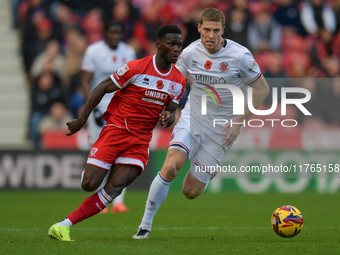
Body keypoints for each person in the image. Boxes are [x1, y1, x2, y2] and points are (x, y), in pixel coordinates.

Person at [133, 8, 269, 239]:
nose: (211, 35)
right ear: (199, 28)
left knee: (190, 191)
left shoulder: (240, 56)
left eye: (216, 31)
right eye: (206, 29)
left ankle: (206, 167)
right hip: (192, 118)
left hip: (222, 129)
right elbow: (174, 81)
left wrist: (238, 122)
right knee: (171, 166)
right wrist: (168, 109)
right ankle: (145, 226)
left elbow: (262, 89)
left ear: (223, 31)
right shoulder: (190, 53)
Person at [47, 24, 186, 241]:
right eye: (172, 44)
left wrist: (167, 119)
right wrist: (83, 118)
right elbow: (101, 87)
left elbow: (170, 111)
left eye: (179, 45)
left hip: (140, 141)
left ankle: (63, 226)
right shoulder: (136, 67)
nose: (177, 49)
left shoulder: (178, 80)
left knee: (114, 189)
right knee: (89, 184)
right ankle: (96, 164)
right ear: (159, 45)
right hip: (116, 130)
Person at [81, 20, 136, 213]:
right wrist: (93, 107)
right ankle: (100, 200)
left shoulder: (129, 52)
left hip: (121, 110)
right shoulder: (93, 51)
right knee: (101, 153)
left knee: (123, 153)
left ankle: (118, 202)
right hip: (99, 109)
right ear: (105, 33)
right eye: (111, 32)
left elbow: (131, 83)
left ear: (122, 34)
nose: (115, 36)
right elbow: (86, 80)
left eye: (118, 33)